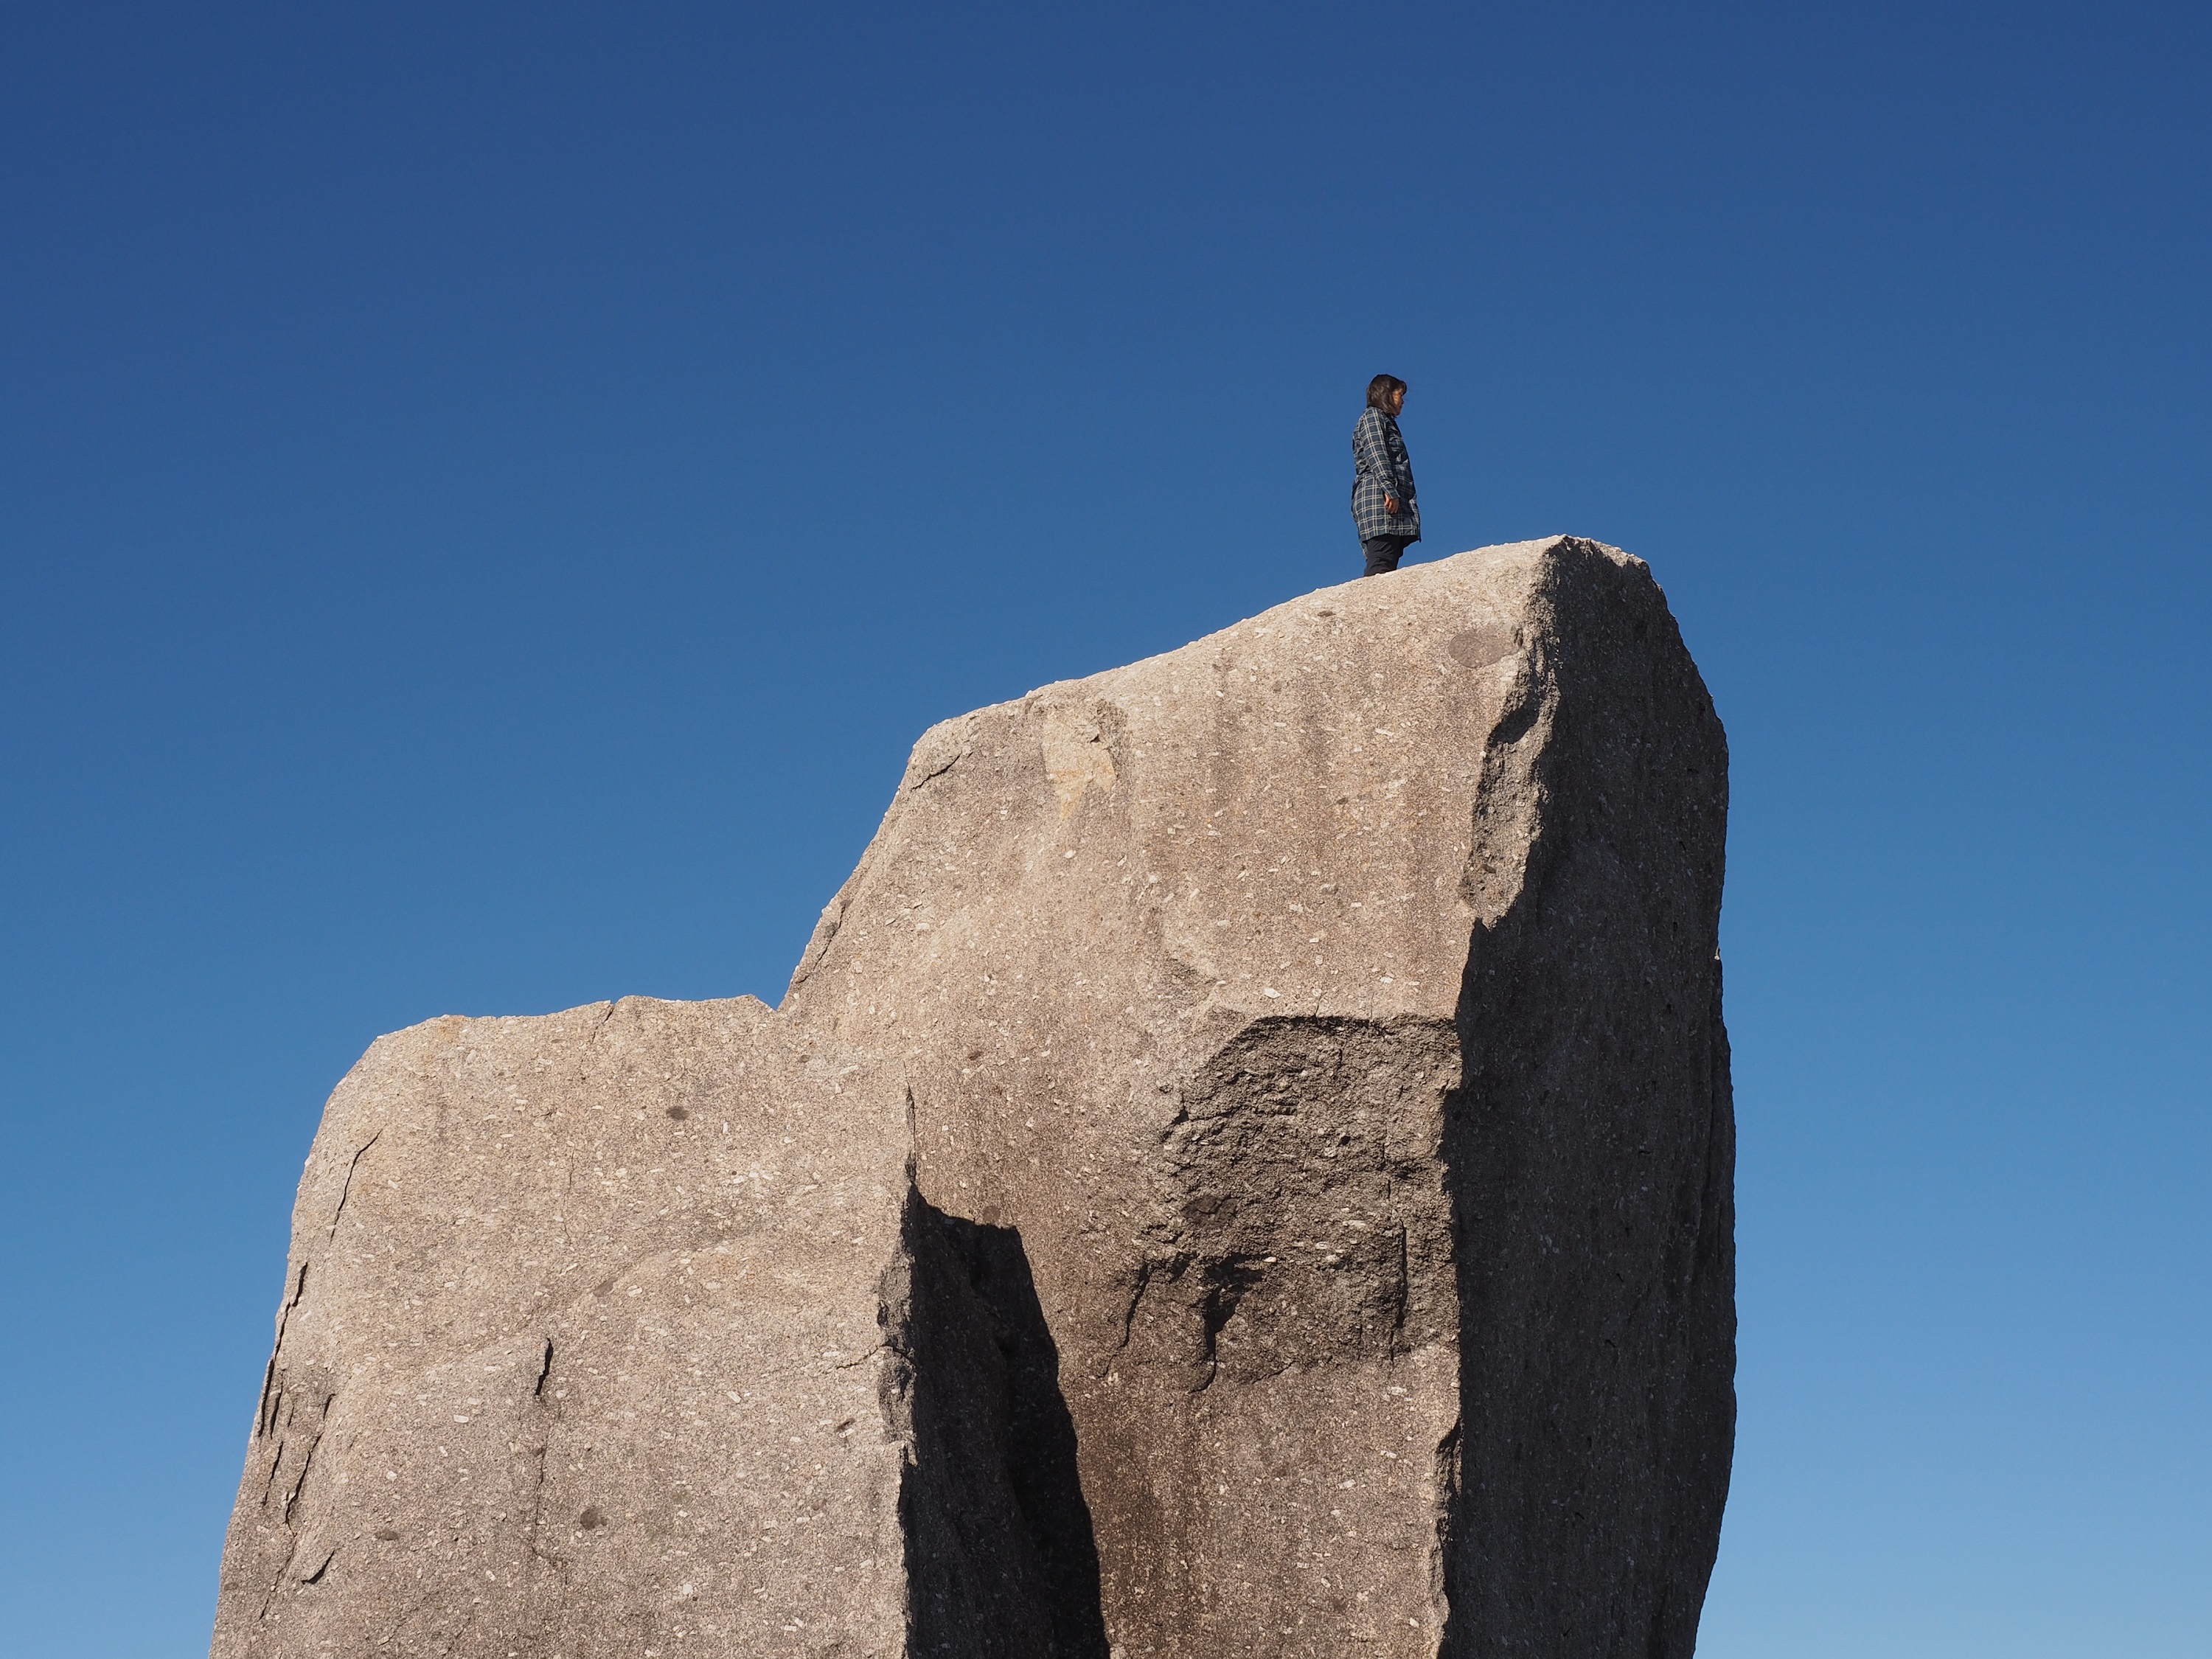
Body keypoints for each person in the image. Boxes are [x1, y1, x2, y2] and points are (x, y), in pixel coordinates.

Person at [1352, 374, 1419, 575]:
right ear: (1387, 394)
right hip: (1379, 499)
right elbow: (1376, 452)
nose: (1403, 401)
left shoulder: (1384, 420)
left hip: (1385, 500)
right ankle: (1370, 605)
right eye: (1399, 395)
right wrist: (1390, 489)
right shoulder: (1373, 417)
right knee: (1381, 559)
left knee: (1388, 559)